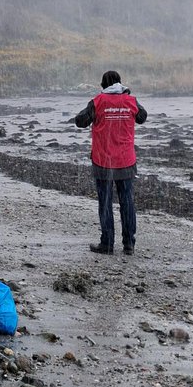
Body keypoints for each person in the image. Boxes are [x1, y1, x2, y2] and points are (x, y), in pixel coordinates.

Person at [73, 70, 148, 255]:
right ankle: (129, 243)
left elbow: (80, 121)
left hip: (103, 161)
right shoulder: (131, 101)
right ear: (120, 83)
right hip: (126, 160)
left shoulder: (98, 102)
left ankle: (107, 243)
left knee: (105, 203)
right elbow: (142, 117)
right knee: (127, 202)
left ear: (103, 85)